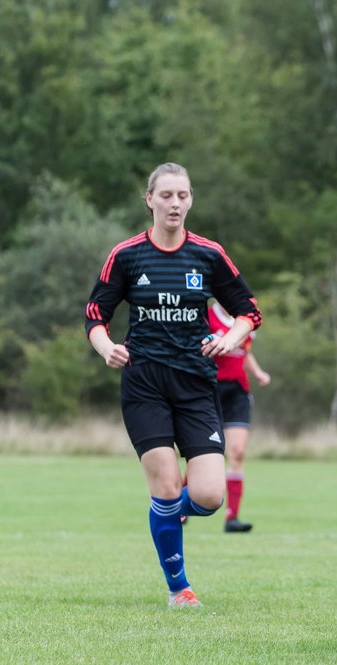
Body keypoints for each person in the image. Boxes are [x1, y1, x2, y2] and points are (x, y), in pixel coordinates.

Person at [85, 162, 262, 607]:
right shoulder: (126, 255)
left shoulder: (207, 254)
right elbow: (94, 316)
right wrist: (106, 347)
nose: (175, 204)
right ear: (149, 200)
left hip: (197, 386)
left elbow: (249, 310)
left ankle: (163, 515)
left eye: (182, 195)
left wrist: (230, 338)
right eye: (166, 195)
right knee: (165, 486)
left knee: (207, 496)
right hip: (144, 385)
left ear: (191, 200)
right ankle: (178, 588)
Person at [208, 300, 271, 532]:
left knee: (237, 452)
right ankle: (182, 506)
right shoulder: (205, 316)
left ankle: (232, 517)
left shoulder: (244, 318)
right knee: (203, 454)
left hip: (237, 393)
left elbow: (245, 351)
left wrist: (258, 372)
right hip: (209, 391)